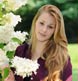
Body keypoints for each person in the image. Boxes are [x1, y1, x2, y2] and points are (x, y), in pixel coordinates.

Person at [6, 4, 72, 81]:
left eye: (50, 27)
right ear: (35, 22)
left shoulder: (62, 58)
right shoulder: (20, 51)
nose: (44, 30)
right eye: (41, 23)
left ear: (55, 30)